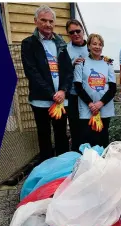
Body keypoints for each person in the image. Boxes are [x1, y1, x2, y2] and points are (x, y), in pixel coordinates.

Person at [21, 5, 73, 162]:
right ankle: (46, 172)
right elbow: (32, 72)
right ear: (36, 21)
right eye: (43, 20)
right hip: (41, 101)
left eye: (51, 21)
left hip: (61, 100)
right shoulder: (28, 43)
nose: (48, 24)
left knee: (61, 135)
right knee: (44, 136)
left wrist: (63, 90)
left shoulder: (60, 43)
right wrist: (52, 93)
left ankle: (62, 170)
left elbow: (68, 70)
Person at [73, 33, 116, 148]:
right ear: (89, 46)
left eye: (100, 44)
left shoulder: (108, 63)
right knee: (88, 139)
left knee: (103, 138)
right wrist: (91, 104)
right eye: (94, 44)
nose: (97, 47)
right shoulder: (81, 63)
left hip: (104, 107)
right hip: (87, 108)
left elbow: (112, 88)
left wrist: (100, 103)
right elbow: (78, 86)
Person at [66, 19, 89, 152]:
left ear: (83, 31)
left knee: (90, 128)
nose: (75, 34)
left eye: (78, 31)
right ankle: (76, 157)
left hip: (90, 96)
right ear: (68, 34)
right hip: (74, 95)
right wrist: (72, 64)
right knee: (76, 129)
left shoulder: (91, 46)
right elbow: (60, 70)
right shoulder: (66, 49)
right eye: (72, 32)